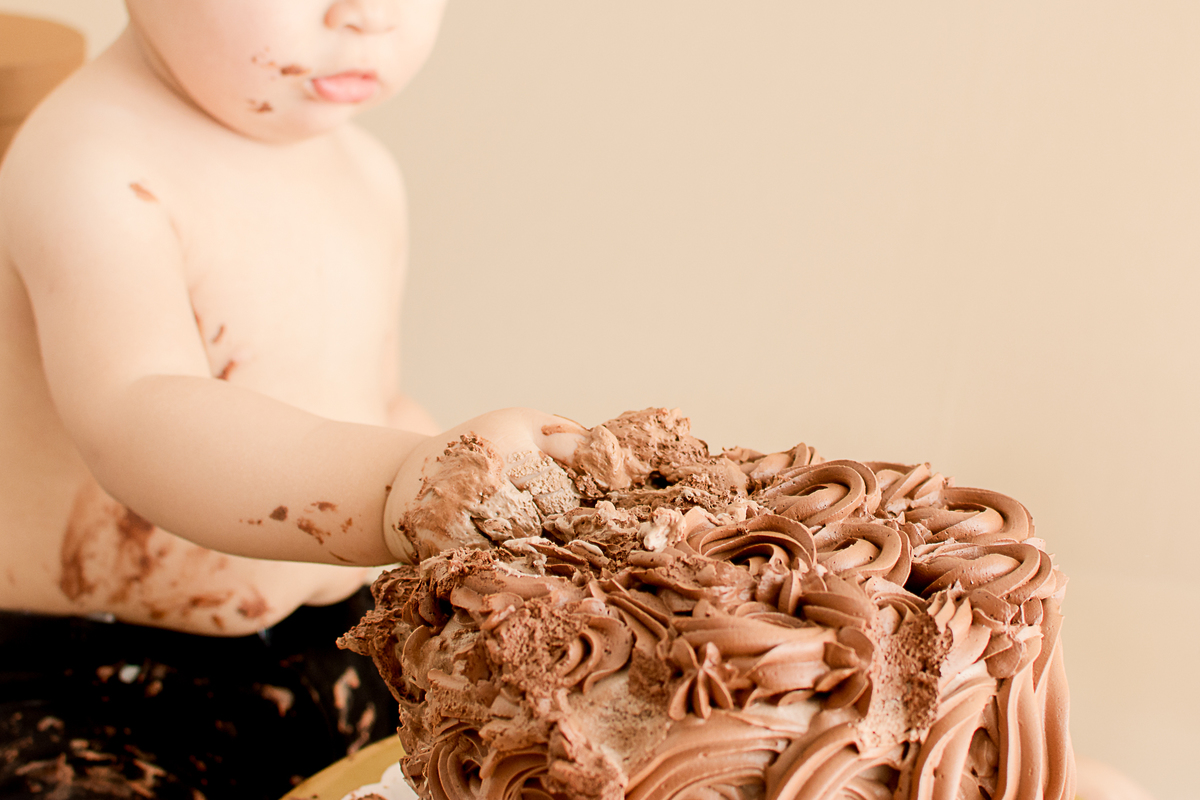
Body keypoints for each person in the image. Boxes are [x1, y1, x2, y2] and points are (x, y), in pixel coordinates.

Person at [0, 1, 584, 797]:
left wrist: (485, 496)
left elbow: (369, 404)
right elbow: (135, 412)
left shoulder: (366, 172)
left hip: (331, 640)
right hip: (93, 684)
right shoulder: (89, 163)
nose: (369, 15)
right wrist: (398, 488)